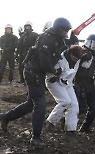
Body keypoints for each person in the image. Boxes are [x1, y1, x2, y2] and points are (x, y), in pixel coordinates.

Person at [0, 17, 72, 147]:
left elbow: (53, 58)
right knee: (40, 103)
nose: (66, 33)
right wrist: (55, 71)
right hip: (32, 72)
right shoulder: (47, 39)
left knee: (30, 104)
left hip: (37, 73)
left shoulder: (56, 40)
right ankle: (36, 137)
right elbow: (44, 62)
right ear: (58, 29)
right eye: (64, 30)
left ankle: (6, 117)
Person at [46, 45, 85, 133]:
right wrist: (55, 74)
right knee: (65, 101)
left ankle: (70, 129)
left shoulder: (77, 60)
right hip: (54, 82)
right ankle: (50, 122)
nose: (77, 59)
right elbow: (50, 72)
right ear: (70, 53)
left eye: (79, 57)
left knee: (74, 105)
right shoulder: (60, 59)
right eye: (75, 56)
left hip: (68, 83)